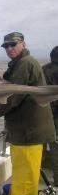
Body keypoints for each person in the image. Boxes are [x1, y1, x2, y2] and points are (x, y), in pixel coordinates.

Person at [0, 32, 55, 195]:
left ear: (23, 43)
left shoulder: (25, 63)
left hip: (29, 131)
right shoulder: (19, 63)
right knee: (23, 175)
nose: (9, 48)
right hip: (25, 130)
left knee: (26, 178)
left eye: (12, 44)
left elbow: (12, 96)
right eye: (5, 46)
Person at [42, 46, 58, 187]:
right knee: (56, 148)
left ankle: (35, 175)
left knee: (39, 146)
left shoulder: (44, 69)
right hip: (55, 115)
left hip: (43, 113)